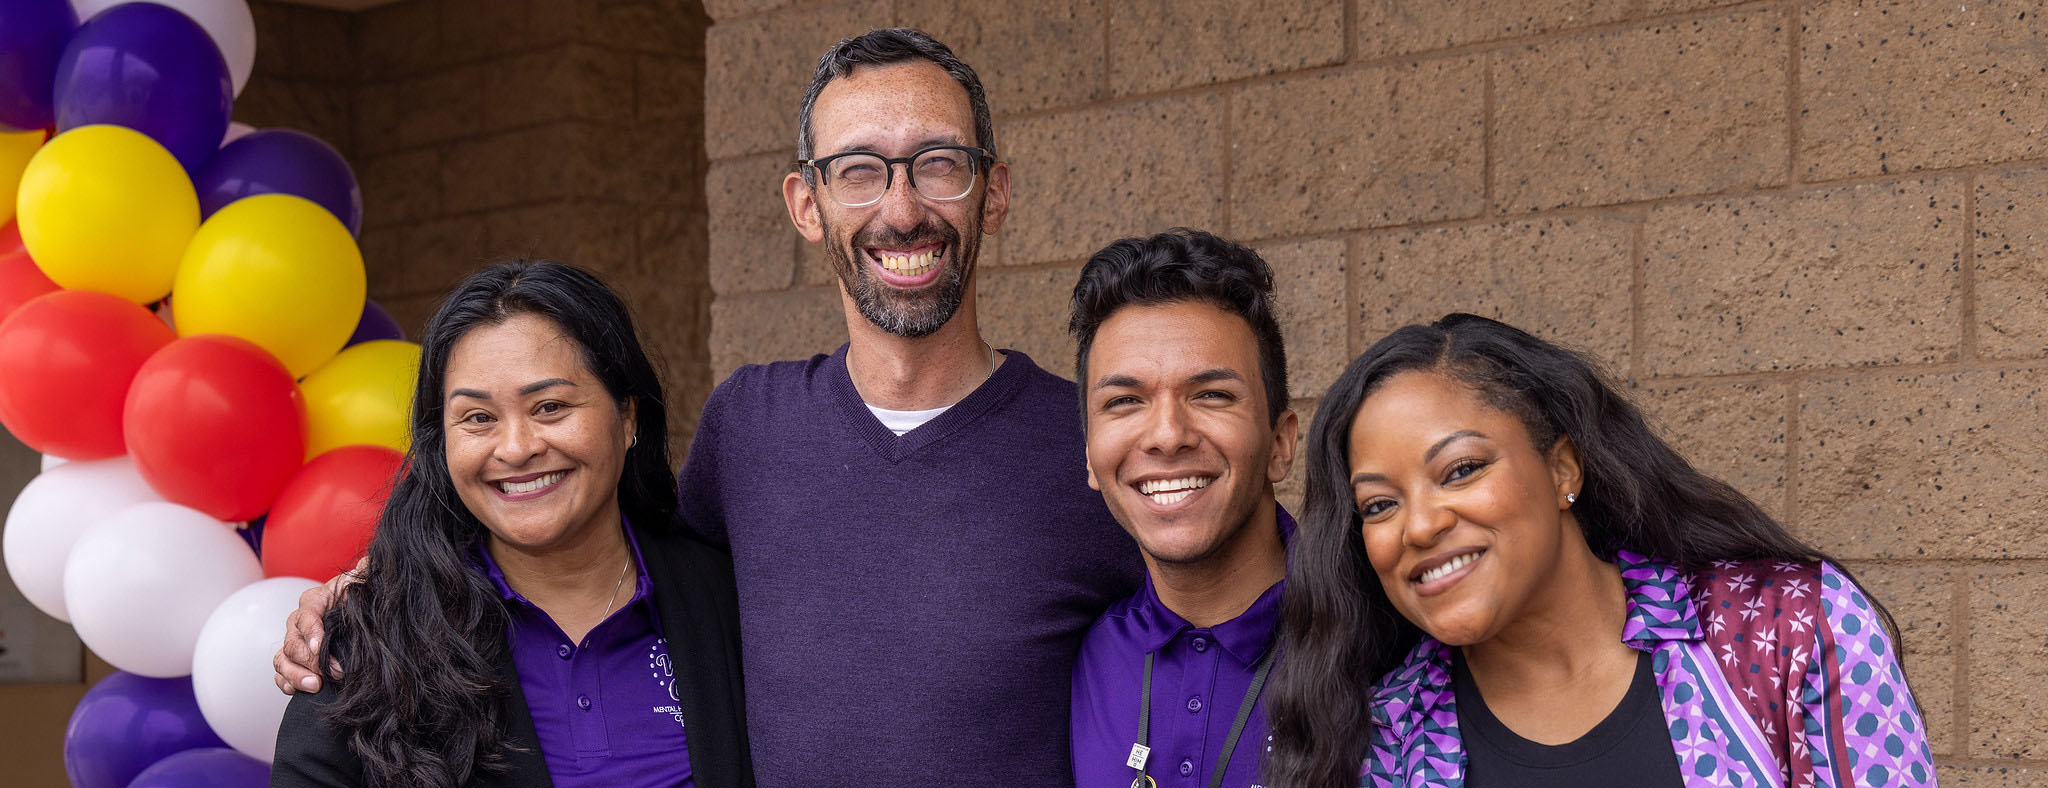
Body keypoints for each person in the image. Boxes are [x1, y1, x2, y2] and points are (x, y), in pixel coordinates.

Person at [277, 28, 1142, 788]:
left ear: (993, 192)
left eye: (939, 164)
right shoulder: (751, 428)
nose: (902, 209)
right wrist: (376, 590)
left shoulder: (1093, 450)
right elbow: (583, 532)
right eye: (859, 172)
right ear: (808, 205)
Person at [1262, 314, 1938, 788]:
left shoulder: (1787, 630)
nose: (1418, 526)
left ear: (1563, 470)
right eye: (1379, 505)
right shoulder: (1381, 742)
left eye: (1461, 470)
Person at [270, 261, 752, 788]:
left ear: (628, 416)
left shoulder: (732, 603)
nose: (517, 448)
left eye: (550, 406)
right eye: (478, 418)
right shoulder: (371, 645)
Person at [1065, 230, 1298, 788]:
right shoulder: (1083, 659)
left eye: (1211, 394)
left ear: (1280, 444)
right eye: (1124, 402)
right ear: (1092, 459)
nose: (1168, 436)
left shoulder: (1381, 643)